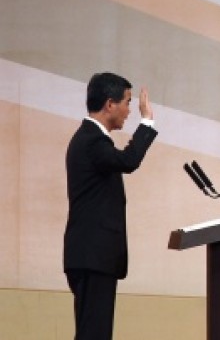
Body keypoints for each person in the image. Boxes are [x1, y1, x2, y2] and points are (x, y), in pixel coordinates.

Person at [63, 72, 158, 340]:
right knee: (94, 334)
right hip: (93, 255)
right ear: (110, 104)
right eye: (127, 102)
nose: (129, 111)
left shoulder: (88, 138)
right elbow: (128, 160)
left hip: (89, 255)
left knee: (92, 333)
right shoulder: (92, 140)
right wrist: (147, 122)